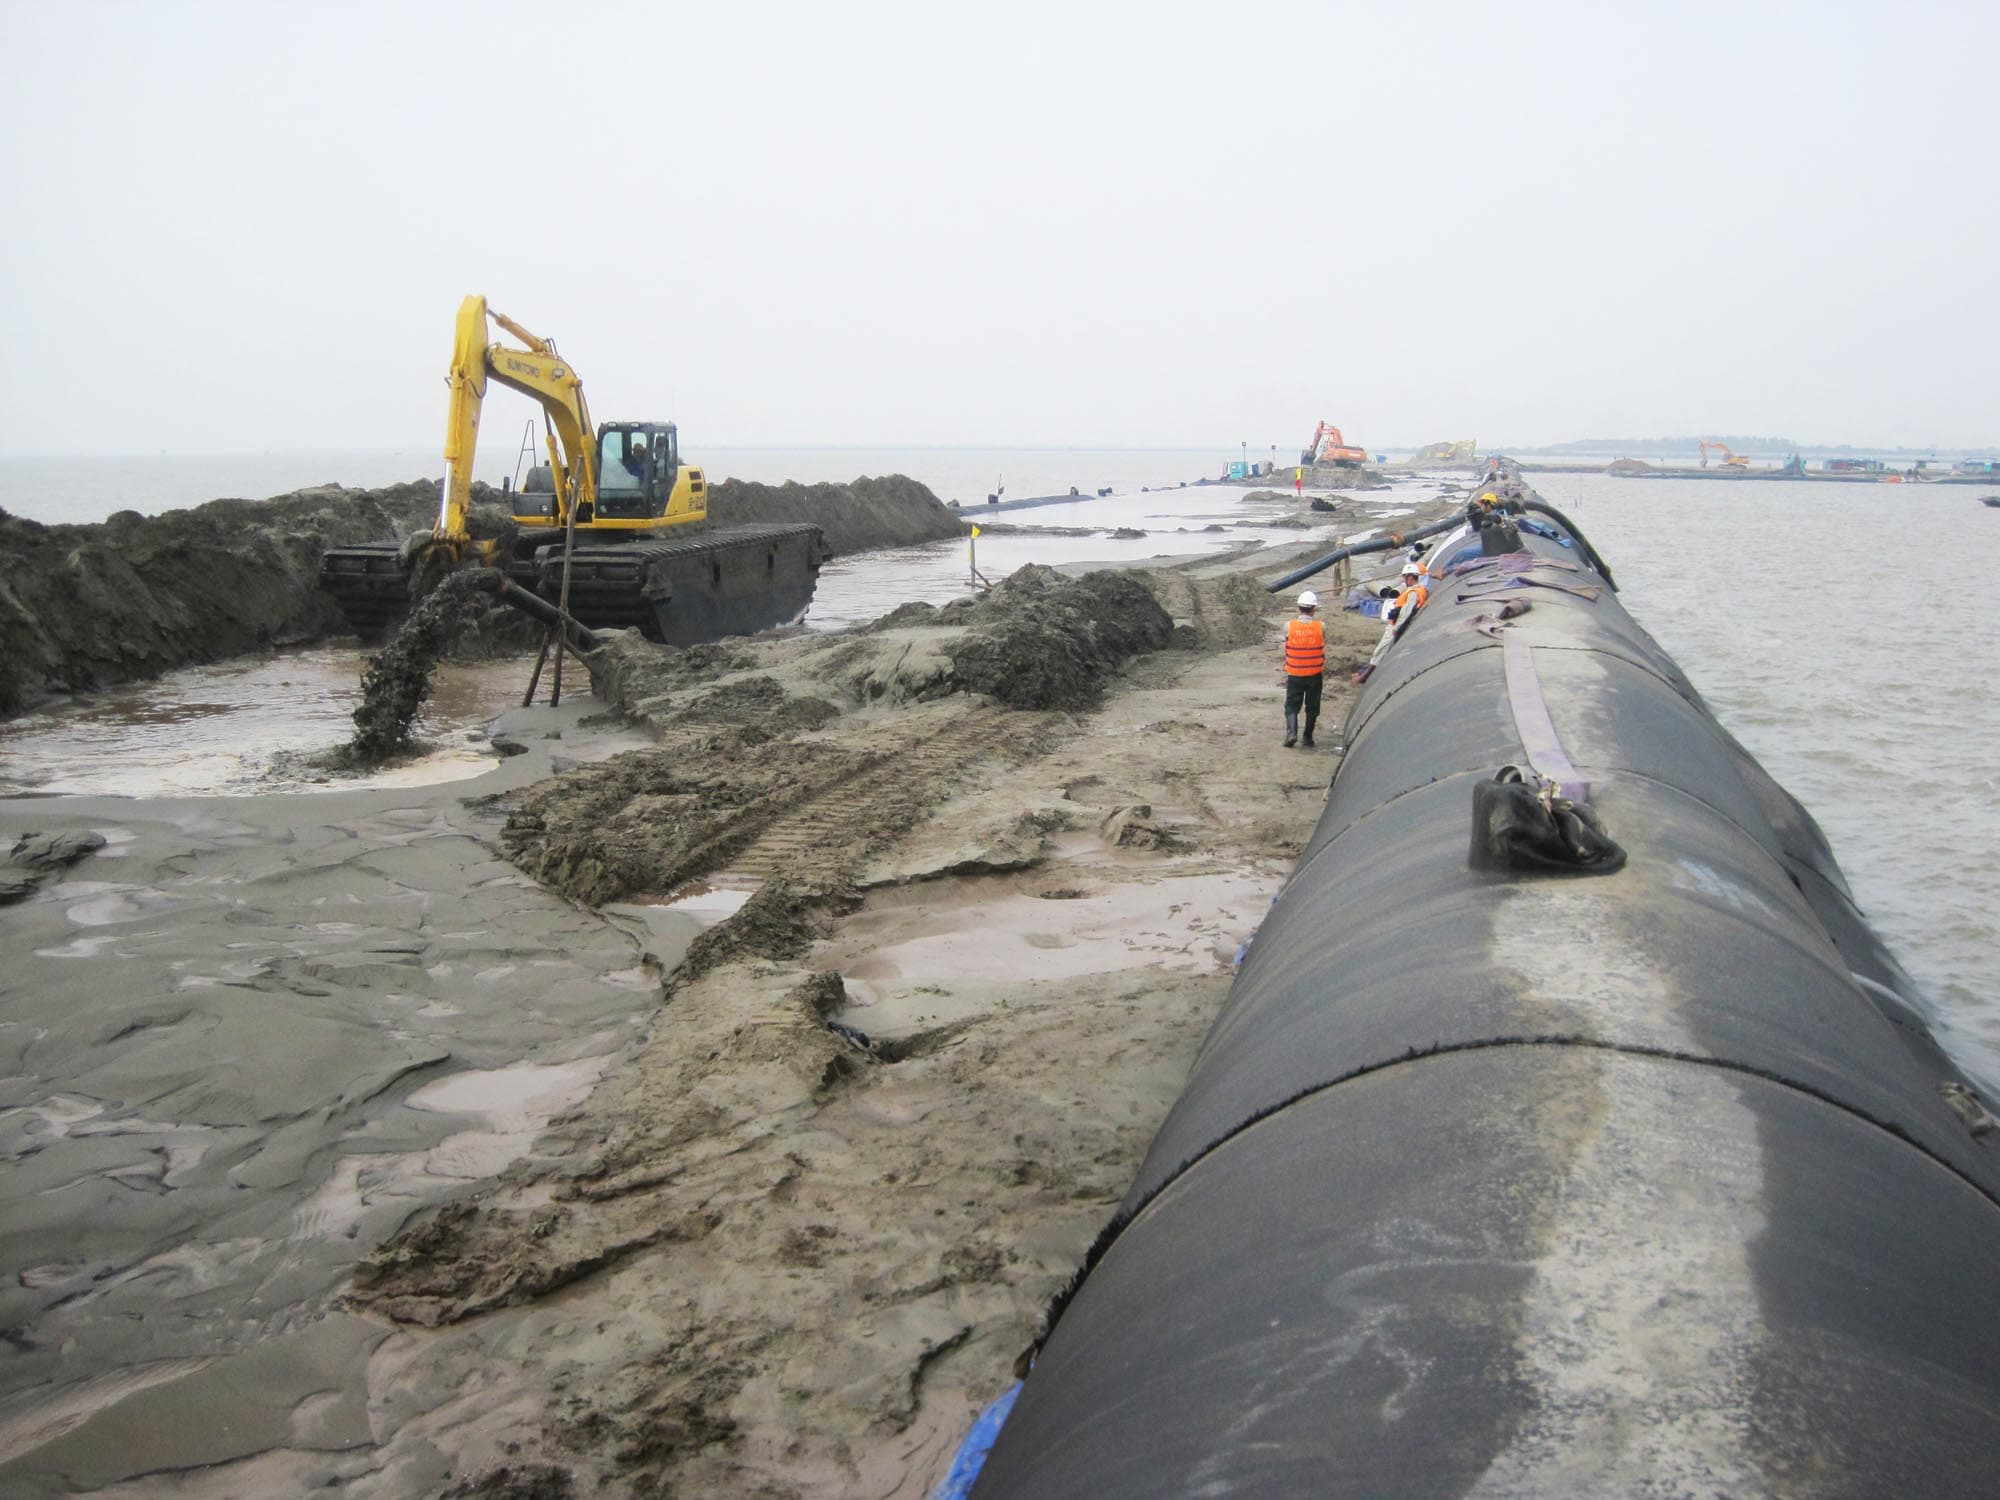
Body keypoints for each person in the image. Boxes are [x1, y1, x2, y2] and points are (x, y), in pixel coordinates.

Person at [1355, 561, 1429, 684]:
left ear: (1410, 577)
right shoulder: (1418, 590)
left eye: (1405, 577)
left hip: (1395, 626)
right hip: (1395, 624)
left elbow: (1406, 612)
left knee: (1380, 651)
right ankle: (1362, 673)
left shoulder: (1414, 593)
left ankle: (1364, 677)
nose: (1404, 580)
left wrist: (1396, 629)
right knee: (1379, 651)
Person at [1281, 590, 1326, 748]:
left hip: (1295, 673)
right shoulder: (1321, 626)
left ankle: (1292, 733)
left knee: (1292, 705)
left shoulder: (1289, 626)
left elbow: (1286, 640)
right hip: (1314, 674)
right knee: (1312, 706)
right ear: (1313, 609)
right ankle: (1307, 737)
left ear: (1298, 608)